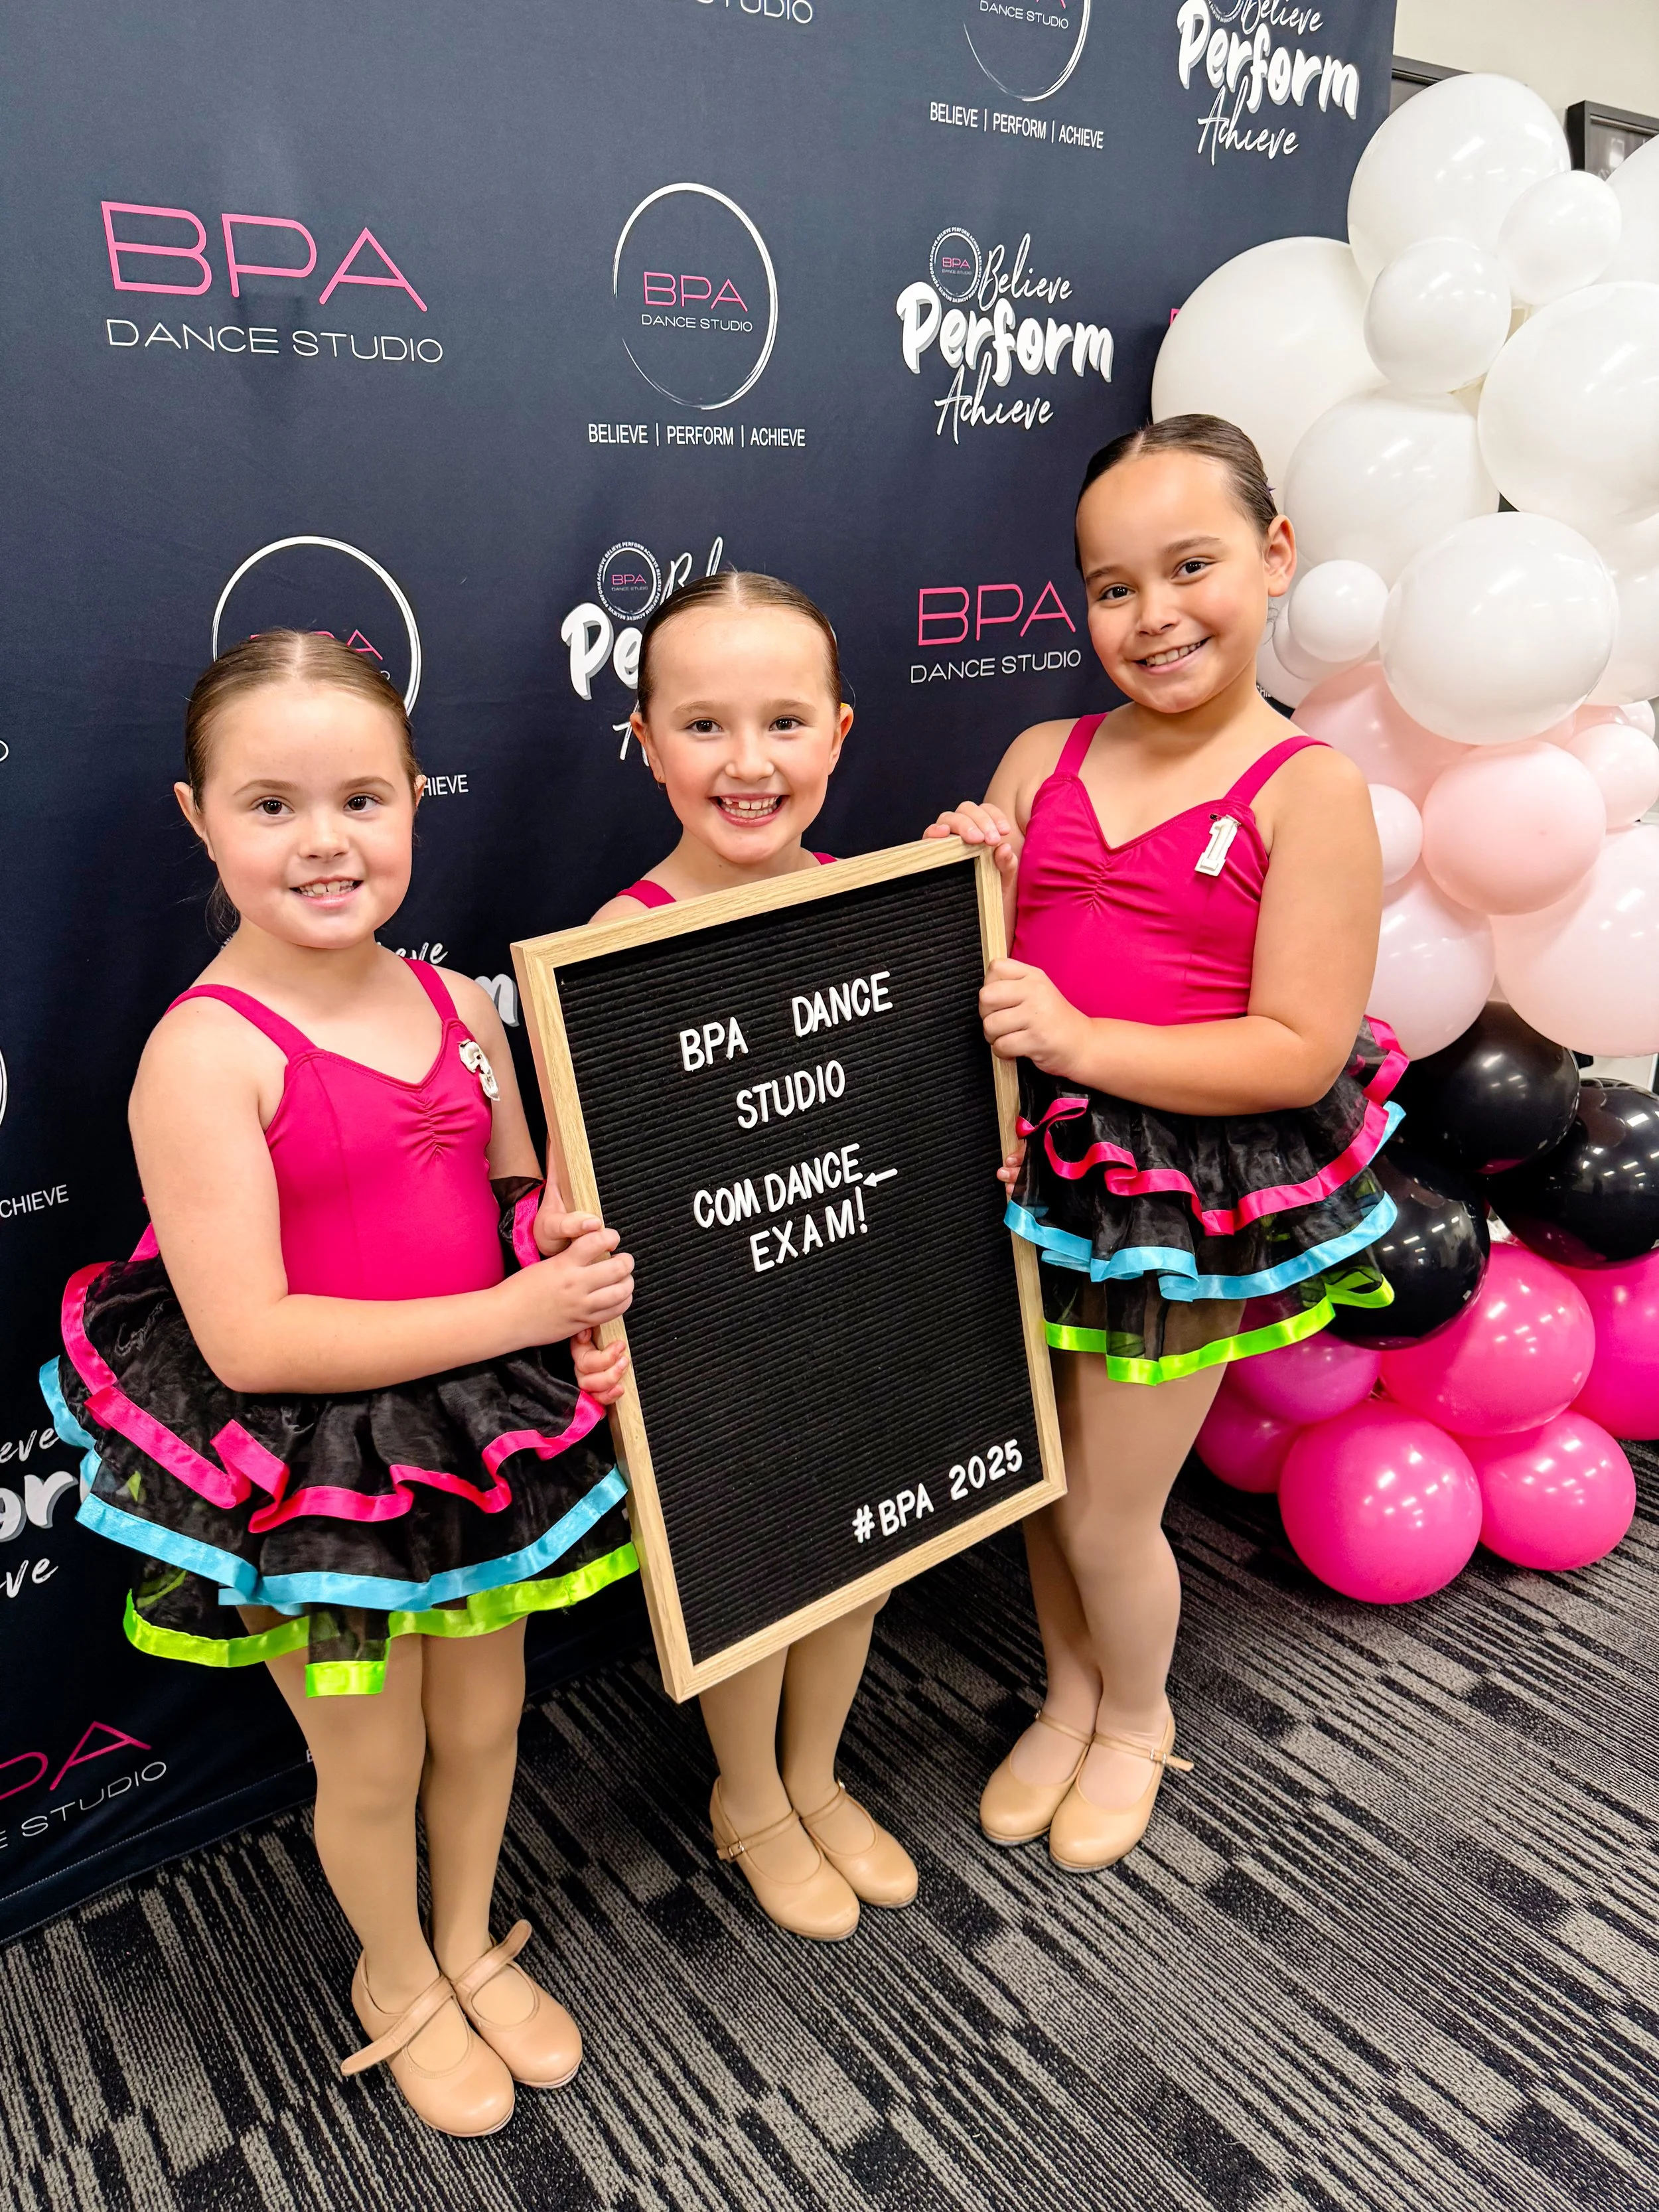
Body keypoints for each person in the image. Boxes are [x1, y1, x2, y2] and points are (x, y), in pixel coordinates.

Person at [47, 631, 637, 2136]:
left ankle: (463, 1934)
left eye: (364, 799)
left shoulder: (458, 1007)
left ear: (416, 803)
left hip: (468, 1441)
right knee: (368, 1759)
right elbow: (247, 1337)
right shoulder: (202, 1055)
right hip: (318, 1474)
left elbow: (509, 1188)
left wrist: (551, 1233)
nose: (326, 842)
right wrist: (523, 1297)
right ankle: (395, 1973)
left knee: (488, 1718)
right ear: (198, 817)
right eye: (272, 806)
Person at [928, 415, 1400, 1873]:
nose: (1151, 616)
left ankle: (1134, 1712)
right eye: (1111, 585)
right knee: (1040, 1468)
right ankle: (1070, 1691)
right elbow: (978, 974)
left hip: (1176, 1198)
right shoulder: (1038, 751)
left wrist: (1080, 1044)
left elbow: (1293, 1050)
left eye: (1187, 566)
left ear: (1269, 558)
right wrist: (965, 881)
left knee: (1111, 1499)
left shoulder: (1305, 790)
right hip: (1025, 1175)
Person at [591, 568, 917, 1941]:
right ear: (645, 743)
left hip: (856, 1301)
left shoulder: (883, 900)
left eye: (784, 722)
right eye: (703, 725)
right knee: (760, 1567)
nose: (746, 762)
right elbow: (594, 1185)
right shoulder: (619, 948)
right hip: (716, 1350)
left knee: (866, 1549)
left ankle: (814, 1768)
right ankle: (750, 1795)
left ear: (838, 733)